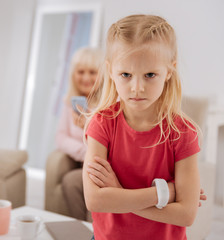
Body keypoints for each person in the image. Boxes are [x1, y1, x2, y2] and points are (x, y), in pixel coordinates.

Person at [83, 15, 206, 239]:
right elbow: (95, 200)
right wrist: (164, 193)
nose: (137, 87)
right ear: (111, 71)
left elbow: (186, 215)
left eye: (150, 75)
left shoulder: (183, 133)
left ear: (169, 71)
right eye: (126, 75)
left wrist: (118, 193)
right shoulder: (102, 124)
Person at [55, 47, 104, 220]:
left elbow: (108, 144)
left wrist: (88, 127)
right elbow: (61, 138)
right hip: (83, 162)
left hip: (101, 165)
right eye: (80, 72)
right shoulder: (70, 102)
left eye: (92, 72)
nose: (85, 78)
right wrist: (85, 153)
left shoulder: (107, 105)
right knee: (71, 180)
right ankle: (82, 229)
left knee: (73, 180)